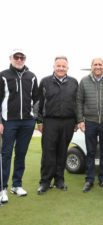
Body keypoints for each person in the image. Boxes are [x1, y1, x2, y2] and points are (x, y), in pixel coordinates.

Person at [0, 49, 38, 203]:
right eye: (16, 57)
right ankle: (2, 188)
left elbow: (36, 99)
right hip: (8, 121)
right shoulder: (3, 75)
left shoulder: (32, 76)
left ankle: (17, 185)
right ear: (11, 58)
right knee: (6, 155)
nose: (19, 59)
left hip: (27, 123)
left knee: (21, 153)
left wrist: (34, 118)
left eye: (22, 57)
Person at [37, 56, 78, 194]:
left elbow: (77, 103)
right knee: (48, 152)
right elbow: (39, 103)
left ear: (67, 68)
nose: (61, 68)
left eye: (63, 66)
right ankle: (45, 182)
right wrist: (39, 121)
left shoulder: (74, 82)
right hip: (50, 121)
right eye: (58, 66)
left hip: (68, 122)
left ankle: (59, 180)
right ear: (53, 66)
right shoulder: (45, 82)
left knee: (62, 152)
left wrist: (77, 120)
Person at [77, 58, 103, 193]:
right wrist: (80, 120)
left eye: (100, 64)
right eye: (95, 64)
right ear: (91, 67)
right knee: (91, 152)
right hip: (90, 122)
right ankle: (89, 180)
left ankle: (102, 179)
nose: (98, 67)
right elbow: (79, 102)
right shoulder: (84, 81)